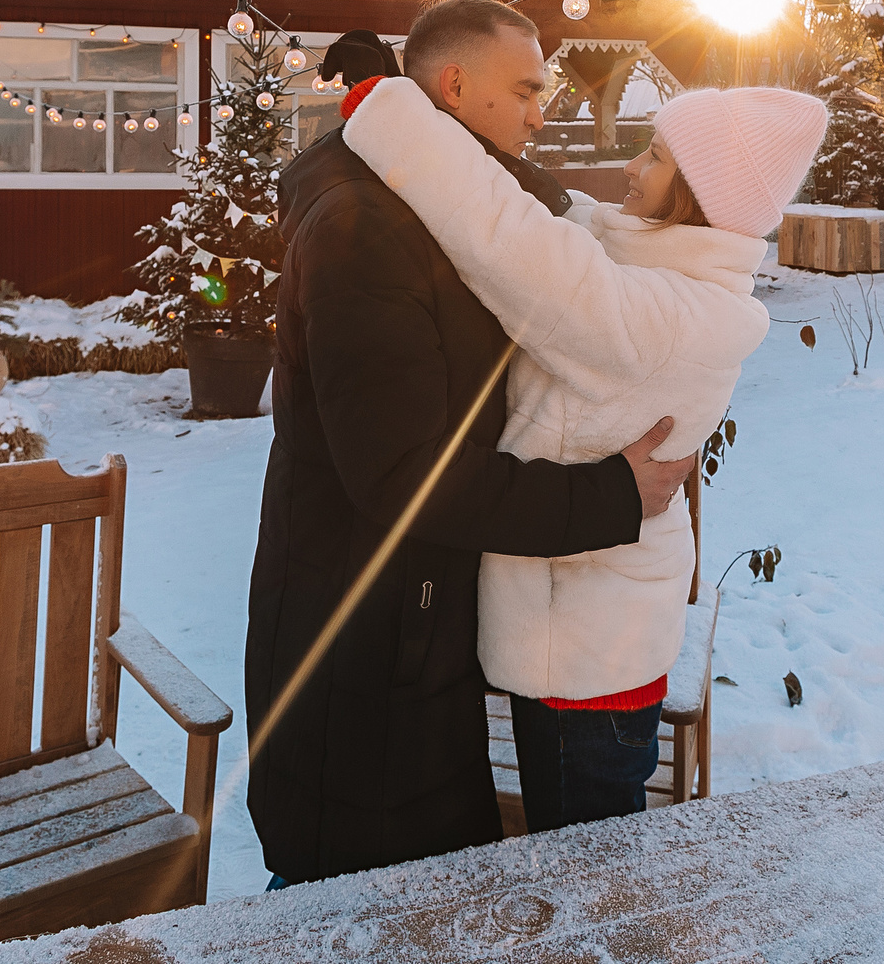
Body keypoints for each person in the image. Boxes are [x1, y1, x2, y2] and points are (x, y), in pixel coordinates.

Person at [245, 0, 696, 884]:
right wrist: (611, 495)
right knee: (347, 901)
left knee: (429, 887)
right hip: (357, 652)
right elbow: (405, 477)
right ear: (453, 86)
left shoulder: (439, 201)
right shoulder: (363, 225)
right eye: (526, 89)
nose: (542, 112)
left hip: (416, 629)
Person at [343, 72, 827, 833]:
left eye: (657, 156)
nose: (631, 169)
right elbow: (571, 212)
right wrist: (473, 130)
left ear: (699, 195)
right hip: (584, 631)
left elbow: (517, 244)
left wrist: (395, 117)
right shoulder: (662, 269)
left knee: (590, 878)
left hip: (587, 662)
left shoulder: (670, 313)